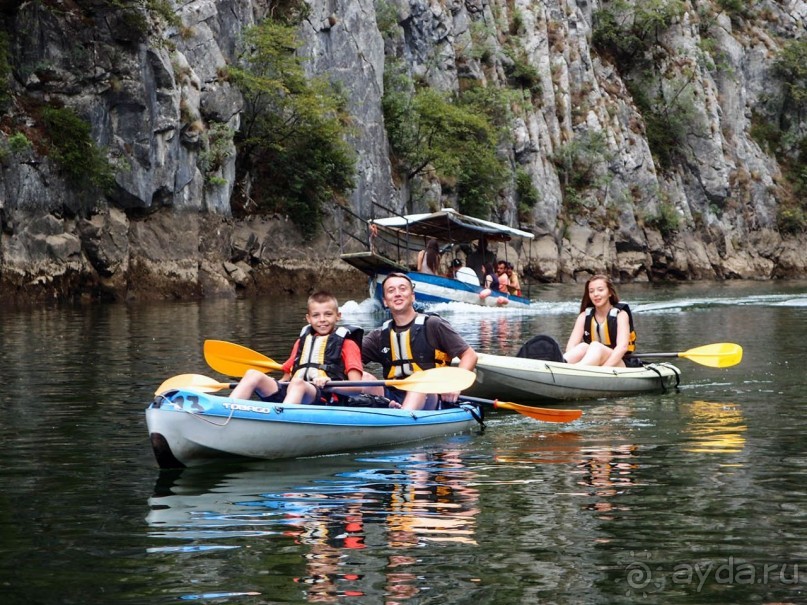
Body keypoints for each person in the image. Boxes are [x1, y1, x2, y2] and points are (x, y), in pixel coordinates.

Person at [361, 273, 478, 410]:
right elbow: (348, 360)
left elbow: (470, 355)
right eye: (391, 291)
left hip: (430, 395)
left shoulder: (434, 325)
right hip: (392, 397)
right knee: (362, 377)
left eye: (403, 289)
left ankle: (403, 420)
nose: (397, 294)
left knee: (419, 381)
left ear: (412, 296)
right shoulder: (379, 335)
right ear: (385, 301)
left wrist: (454, 385)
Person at [230, 291, 364, 404]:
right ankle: (227, 409)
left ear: (338, 316)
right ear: (308, 318)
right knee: (253, 375)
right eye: (316, 315)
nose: (322, 319)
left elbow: (356, 388)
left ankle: (282, 421)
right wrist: (276, 382)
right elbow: (287, 378)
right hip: (293, 394)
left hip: (326, 397)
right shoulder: (301, 342)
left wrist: (330, 383)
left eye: (328, 314)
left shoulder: (348, 344)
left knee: (298, 384)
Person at [564, 274, 638, 367]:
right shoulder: (583, 316)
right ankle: (562, 365)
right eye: (591, 291)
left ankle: (577, 369)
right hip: (594, 363)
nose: (595, 294)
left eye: (600, 290)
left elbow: (622, 347)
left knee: (595, 346)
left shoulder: (621, 315)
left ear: (610, 293)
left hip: (619, 363)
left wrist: (603, 370)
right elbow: (571, 346)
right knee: (583, 346)